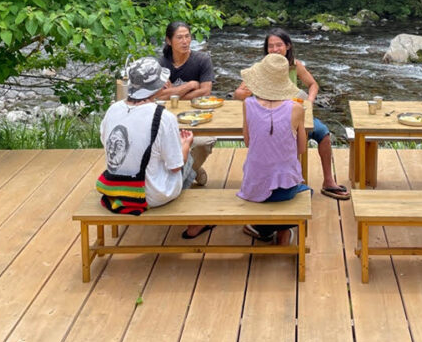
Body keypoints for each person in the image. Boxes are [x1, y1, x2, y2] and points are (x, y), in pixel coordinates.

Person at [98, 56, 213, 239]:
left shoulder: (113, 109)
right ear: (158, 87)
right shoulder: (163, 117)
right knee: (188, 160)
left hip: (113, 188)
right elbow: (176, 165)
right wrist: (185, 145)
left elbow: (107, 142)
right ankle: (193, 220)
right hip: (147, 195)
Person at [233, 28, 350, 200]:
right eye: (270, 46)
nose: (274, 49)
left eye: (278, 45)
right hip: (270, 116)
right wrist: (240, 94)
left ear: (287, 46)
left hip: (294, 115)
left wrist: (309, 102)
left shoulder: (295, 66)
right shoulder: (262, 69)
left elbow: (313, 85)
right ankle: (286, 180)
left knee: (323, 133)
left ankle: (328, 180)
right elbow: (238, 94)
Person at [237, 53, 312, 245]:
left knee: (271, 191)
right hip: (284, 189)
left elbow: (247, 141)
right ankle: (280, 230)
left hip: (253, 185)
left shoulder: (248, 104)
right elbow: (301, 148)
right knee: (307, 192)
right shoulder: (295, 109)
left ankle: (263, 228)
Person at [152, 21, 216, 185]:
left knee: (206, 140)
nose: (185, 41)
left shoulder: (202, 60)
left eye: (187, 36)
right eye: (179, 37)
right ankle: (191, 172)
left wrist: (172, 92)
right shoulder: (161, 64)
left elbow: (205, 92)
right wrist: (189, 86)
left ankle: (190, 169)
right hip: (167, 117)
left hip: (198, 115)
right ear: (169, 40)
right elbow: (157, 95)